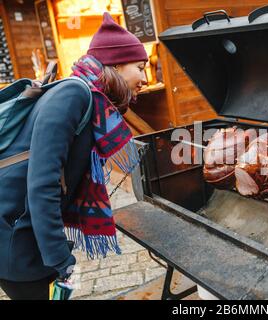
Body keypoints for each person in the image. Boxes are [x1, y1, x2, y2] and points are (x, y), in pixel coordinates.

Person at [0, 12, 148, 300]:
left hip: (25, 234)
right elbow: (43, 183)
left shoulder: (91, 100)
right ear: (116, 63)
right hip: (13, 238)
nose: (144, 77)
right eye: (140, 67)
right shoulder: (74, 94)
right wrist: (60, 259)